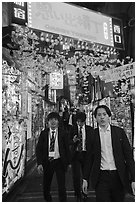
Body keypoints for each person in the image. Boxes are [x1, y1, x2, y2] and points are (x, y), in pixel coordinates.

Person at [82, 105, 135, 202]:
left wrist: (134, 178)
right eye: (99, 115)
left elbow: (128, 157)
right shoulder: (92, 135)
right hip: (101, 177)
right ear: (96, 118)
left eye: (104, 114)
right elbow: (89, 158)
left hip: (118, 176)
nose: (102, 117)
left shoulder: (119, 132)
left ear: (109, 116)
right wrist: (85, 178)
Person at [36, 112, 71, 202]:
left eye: (55, 119)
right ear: (48, 122)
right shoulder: (44, 134)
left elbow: (67, 148)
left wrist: (69, 162)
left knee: (62, 186)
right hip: (47, 162)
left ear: (58, 121)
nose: (53, 122)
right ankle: (48, 200)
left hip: (59, 161)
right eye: (51, 120)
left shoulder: (63, 133)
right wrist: (39, 163)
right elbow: (39, 149)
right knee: (46, 186)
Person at [70, 111, 94, 201]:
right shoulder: (72, 129)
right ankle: (77, 193)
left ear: (85, 121)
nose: (80, 124)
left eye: (82, 122)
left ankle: (85, 192)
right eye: (78, 122)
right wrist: (73, 141)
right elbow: (68, 141)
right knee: (76, 175)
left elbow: (92, 142)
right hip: (76, 155)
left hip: (86, 154)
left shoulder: (90, 129)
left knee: (86, 175)